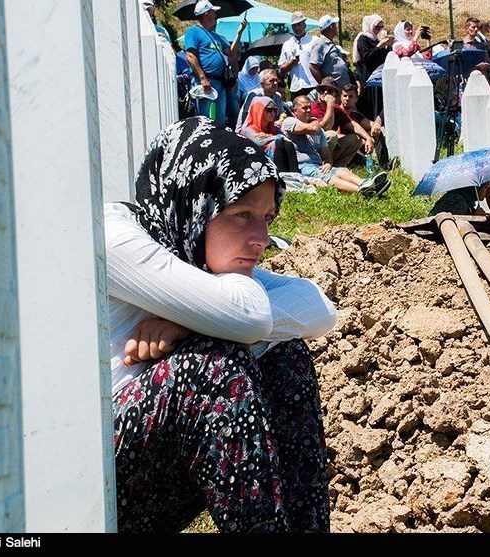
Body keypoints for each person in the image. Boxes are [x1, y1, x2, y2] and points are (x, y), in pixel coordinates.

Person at [107, 116, 336, 533]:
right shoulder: (114, 237)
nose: (261, 238)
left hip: (144, 472)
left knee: (285, 354)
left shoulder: (194, 248)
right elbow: (248, 316)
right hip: (86, 477)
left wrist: (183, 326)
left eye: (267, 217)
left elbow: (319, 309)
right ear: (194, 201)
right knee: (212, 368)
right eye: (242, 214)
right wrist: (210, 325)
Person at [282, 96, 390, 196]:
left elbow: (326, 155)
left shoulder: (318, 127)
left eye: (309, 107)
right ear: (295, 111)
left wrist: (328, 164)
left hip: (317, 164)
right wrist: (316, 120)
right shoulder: (290, 122)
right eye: (304, 108)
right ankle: (362, 191)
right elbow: (312, 129)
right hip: (304, 166)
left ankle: (367, 183)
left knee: (342, 170)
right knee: (330, 177)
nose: (309, 111)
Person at [184, 0, 246, 125]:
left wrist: (239, 33)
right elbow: (190, 55)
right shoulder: (193, 31)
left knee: (219, 118)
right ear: (207, 14)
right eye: (213, 12)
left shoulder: (215, 36)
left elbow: (231, 53)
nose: (215, 15)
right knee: (205, 119)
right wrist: (202, 78)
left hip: (219, 82)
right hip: (206, 82)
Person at [311, 77, 373, 167]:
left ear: (335, 95)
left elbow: (353, 125)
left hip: (329, 147)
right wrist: (330, 105)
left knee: (356, 138)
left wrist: (368, 138)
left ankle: (338, 167)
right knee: (331, 135)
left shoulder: (337, 108)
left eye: (330, 91)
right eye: (322, 90)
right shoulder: (315, 106)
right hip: (315, 147)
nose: (325, 93)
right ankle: (320, 165)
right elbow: (324, 128)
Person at [240, 97, 299, 173]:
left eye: (274, 110)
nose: (273, 113)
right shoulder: (247, 129)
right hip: (253, 162)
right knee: (278, 142)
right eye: (269, 110)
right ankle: (281, 175)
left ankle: (295, 175)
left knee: (287, 144)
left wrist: (273, 136)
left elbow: (286, 139)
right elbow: (258, 141)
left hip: (268, 158)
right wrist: (277, 137)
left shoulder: (272, 128)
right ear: (258, 110)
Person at [353, 14, 393, 119]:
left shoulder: (376, 40)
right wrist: (379, 46)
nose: (378, 30)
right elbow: (367, 57)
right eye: (377, 27)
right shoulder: (363, 39)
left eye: (381, 27)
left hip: (378, 76)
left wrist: (388, 46)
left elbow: (383, 58)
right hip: (368, 77)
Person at [236, 68, 289, 133]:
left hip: (268, 129)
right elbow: (248, 119)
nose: (275, 83)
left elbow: (282, 113)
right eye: (271, 81)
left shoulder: (277, 96)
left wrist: (280, 120)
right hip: (250, 130)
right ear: (262, 84)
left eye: (276, 80)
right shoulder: (254, 96)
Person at [279, 12, 319, 98]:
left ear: (305, 24)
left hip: (313, 85)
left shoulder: (314, 41)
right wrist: (291, 63)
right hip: (295, 87)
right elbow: (281, 71)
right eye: (294, 25)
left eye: (299, 24)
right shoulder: (287, 44)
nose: (297, 28)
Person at [309, 15, 350, 88]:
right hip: (333, 90)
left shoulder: (330, 43)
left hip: (341, 88)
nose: (336, 28)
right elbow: (313, 66)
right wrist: (325, 86)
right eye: (335, 26)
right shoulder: (320, 44)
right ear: (331, 27)